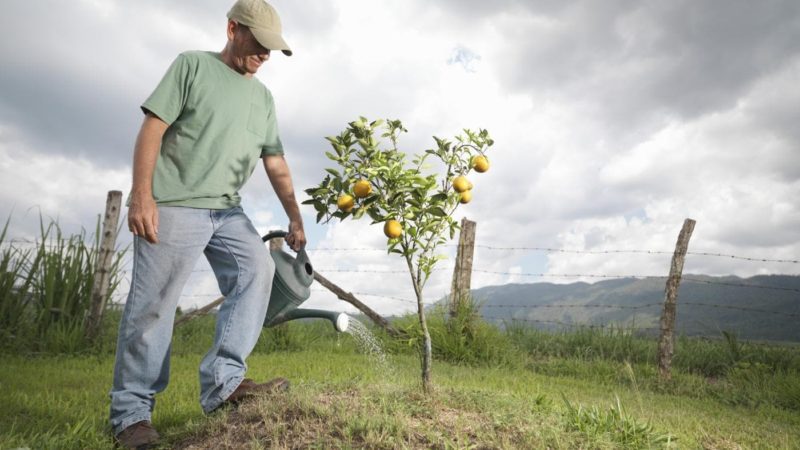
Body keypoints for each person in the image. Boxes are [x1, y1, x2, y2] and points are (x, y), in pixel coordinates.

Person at [109, 1, 305, 447]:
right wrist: (142, 194)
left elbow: (274, 161)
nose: (265, 55)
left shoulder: (263, 98)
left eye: (272, 49)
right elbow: (153, 128)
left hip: (227, 210)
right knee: (154, 307)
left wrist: (294, 214)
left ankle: (225, 384)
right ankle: (131, 416)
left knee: (259, 269)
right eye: (259, 44)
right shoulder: (191, 66)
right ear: (233, 29)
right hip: (175, 203)